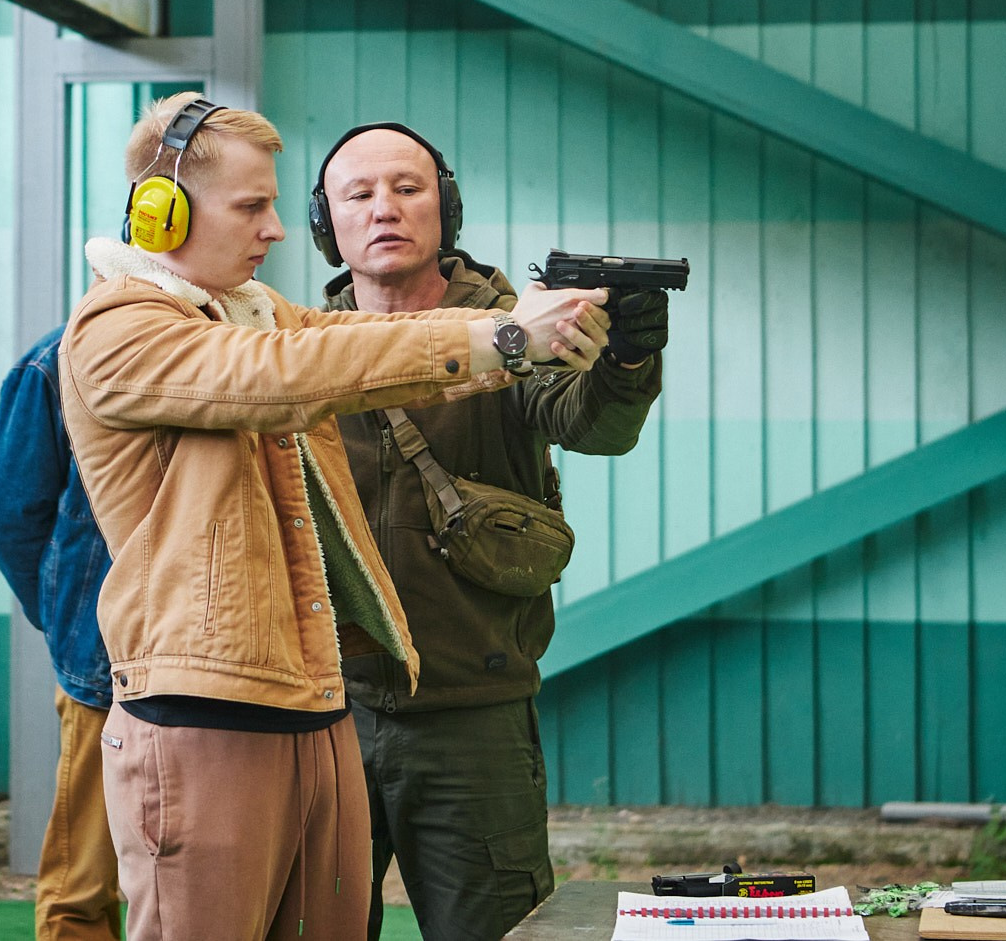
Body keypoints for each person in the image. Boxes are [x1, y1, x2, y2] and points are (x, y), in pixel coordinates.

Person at [58, 92, 610, 941]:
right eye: (251, 206)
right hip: (203, 714)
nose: (276, 228)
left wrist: (541, 324)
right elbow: (289, 370)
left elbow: (365, 346)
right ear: (162, 214)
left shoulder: (256, 312)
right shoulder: (120, 328)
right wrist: (504, 336)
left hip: (307, 702)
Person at [313, 122, 667, 941]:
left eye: (408, 187)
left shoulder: (516, 326)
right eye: (357, 194)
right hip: (326, 712)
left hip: (473, 715)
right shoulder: (298, 346)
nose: (384, 209)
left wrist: (626, 364)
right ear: (327, 221)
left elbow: (591, 422)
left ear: (448, 206)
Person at [0, 329, 122, 941]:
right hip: (103, 672)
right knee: (83, 888)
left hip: (215, 666)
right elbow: (9, 514)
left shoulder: (243, 340)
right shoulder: (55, 362)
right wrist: (71, 614)